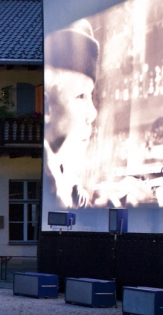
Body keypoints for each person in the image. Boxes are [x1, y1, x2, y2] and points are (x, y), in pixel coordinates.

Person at [44, 19, 99, 208]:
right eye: (80, 96)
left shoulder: (69, 176)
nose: (92, 114)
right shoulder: (46, 175)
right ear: (47, 106)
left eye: (90, 95)